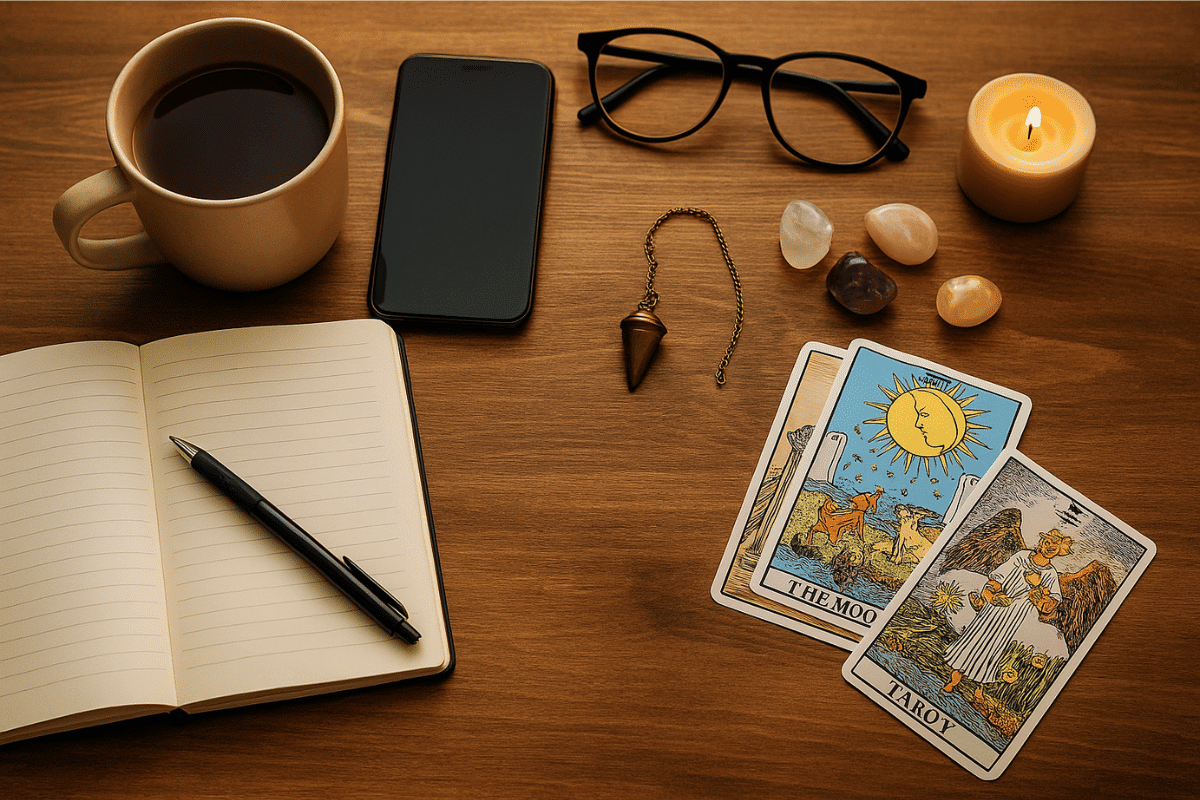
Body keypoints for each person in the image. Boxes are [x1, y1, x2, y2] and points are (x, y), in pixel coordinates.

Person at [941, 529, 1071, 694]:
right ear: (1041, 542)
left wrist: (1037, 585)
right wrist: (990, 594)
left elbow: (1048, 606)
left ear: (1059, 551)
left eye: (1055, 546)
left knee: (995, 646)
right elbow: (998, 578)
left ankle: (979, 688)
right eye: (1048, 542)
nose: (1050, 547)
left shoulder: (1050, 574)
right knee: (974, 638)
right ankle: (954, 679)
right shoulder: (1021, 556)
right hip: (996, 607)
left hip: (1015, 616)